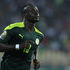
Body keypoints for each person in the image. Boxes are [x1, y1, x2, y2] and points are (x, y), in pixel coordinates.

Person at [0, 3, 44, 70]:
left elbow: (35, 47)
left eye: (37, 11)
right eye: (33, 12)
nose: (36, 14)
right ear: (24, 15)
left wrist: (36, 60)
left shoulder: (40, 35)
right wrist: (19, 46)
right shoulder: (13, 28)